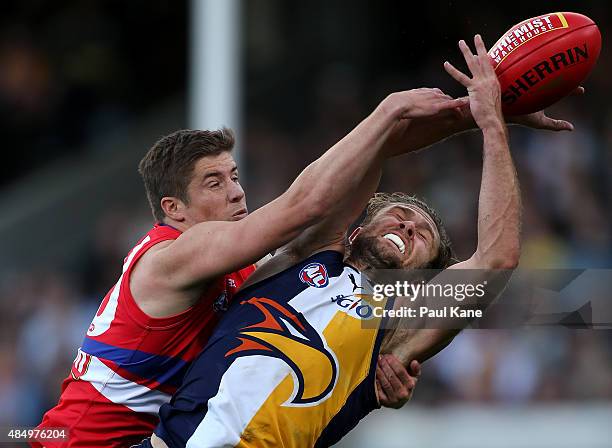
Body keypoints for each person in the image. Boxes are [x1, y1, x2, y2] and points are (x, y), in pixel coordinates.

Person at [136, 35, 577, 448]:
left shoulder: (400, 325)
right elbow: (372, 152)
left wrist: (494, 127)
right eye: (400, 217)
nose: (408, 228)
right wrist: (473, 113)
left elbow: (497, 259)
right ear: (357, 230)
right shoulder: (297, 261)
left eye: (422, 234)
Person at [33, 62, 478, 448]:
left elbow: (345, 194)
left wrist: (480, 114)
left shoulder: (235, 266)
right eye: (215, 183)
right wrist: (389, 111)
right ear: (174, 210)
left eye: (235, 176)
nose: (237, 193)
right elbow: (308, 205)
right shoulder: (170, 259)